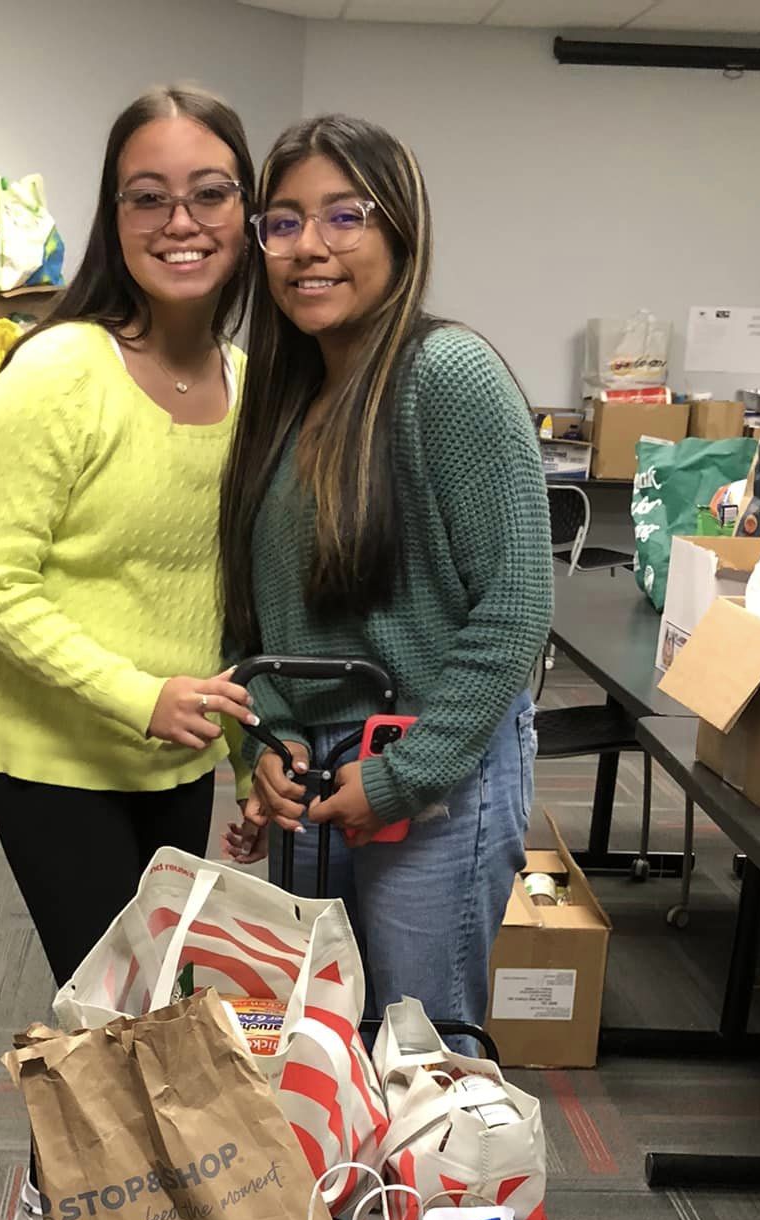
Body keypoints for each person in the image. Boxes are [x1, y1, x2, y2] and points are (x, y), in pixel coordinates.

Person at [0, 83, 261, 1220]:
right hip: (56, 758)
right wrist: (141, 696)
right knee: (107, 1029)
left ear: (244, 214)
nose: (179, 220)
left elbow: (217, 596)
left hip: (176, 759)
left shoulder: (248, 379)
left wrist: (238, 760)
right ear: (111, 213)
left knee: (170, 1018)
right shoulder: (62, 368)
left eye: (208, 193)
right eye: (148, 196)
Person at [220, 114, 551, 1048]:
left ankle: (431, 1203)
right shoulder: (284, 399)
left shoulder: (447, 375)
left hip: (429, 766)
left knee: (420, 1047)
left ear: (399, 229)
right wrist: (266, 749)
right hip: (317, 774)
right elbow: (255, 616)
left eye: (342, 217)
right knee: (319, 1040)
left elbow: (516, 610)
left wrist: (405, 775)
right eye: (281, 223)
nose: (308, 248)